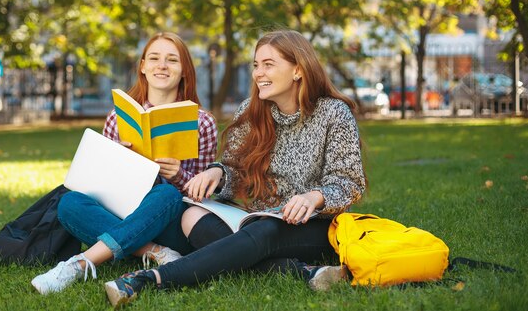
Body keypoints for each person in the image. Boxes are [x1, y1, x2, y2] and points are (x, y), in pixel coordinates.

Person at [104, 29, 367, 307]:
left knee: (264, 232)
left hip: (315, 225)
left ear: (298, 71)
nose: (258, 73)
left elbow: (349, 183)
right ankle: (301, 271)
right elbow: (234, 170)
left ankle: (151, 279)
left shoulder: (333, 113)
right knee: (192, 217)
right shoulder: (251, 110)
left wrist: (314, 197)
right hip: (256, 218)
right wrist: (217, 173)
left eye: (268, 65)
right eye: (256, 65)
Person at [32, 32, 218, 294]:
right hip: (124, 211)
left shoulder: (203, 122)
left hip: (171, 219)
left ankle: (80, 264)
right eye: (154, 58)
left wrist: (178, 175)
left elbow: (203, 198)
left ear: (185, 70)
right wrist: (115, 161)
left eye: (172, 60)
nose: (161, 65)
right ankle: (156, 253)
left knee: (165, 193)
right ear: (143, 67)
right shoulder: (118, 118)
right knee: (70, 203)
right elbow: (98, 188)